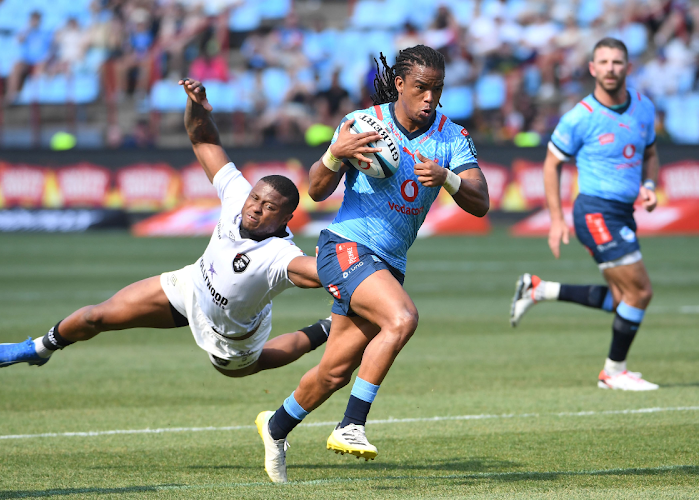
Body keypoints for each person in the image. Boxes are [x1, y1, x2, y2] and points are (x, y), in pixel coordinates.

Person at [0, 78, 331, 378]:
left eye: (269, 207)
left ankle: (325, 330)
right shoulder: (237, 195)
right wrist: (197, 108)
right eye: (256, 198)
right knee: (97, 315)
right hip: (192, 284)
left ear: (286, 219)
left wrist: (353, 268)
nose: (255, 207)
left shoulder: (279, 255)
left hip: (232, 334)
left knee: (252, 366)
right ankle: (39, 348)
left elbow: (321, 273)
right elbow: (203, 141)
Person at [255, 45, 490, 483]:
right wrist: (335, 154)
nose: (429, 99)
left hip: (388, 264)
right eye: (421, 88)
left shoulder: (452, 137)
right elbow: (317, 190)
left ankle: (275, 428)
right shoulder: (364, 124)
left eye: (437, 90)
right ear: (400, 84)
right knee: (401, 319)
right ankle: (351, 424)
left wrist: (449, 179)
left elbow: (481, 202)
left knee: (335, 371)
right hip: (344, 247)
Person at [509, 38, 660, 391]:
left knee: (623, 299)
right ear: (592, 68)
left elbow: (650, 152)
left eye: (617, 62)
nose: (611, 68)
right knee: (640, 292)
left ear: (628, 67)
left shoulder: (644, 107)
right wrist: (557, 219)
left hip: (623, 212)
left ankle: (539, 290)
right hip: (595, 212)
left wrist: (649, 184)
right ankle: (613, 371)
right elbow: (551, 164)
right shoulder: (581, 117)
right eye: (603, 62)